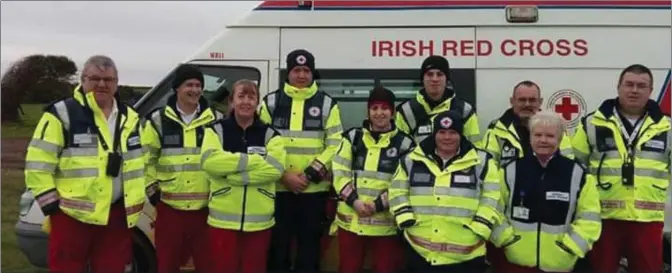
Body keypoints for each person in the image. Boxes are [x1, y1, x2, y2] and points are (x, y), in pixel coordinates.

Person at [24, 55, 146, 273]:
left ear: (116, 83)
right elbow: (38, 162)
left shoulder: (131, 117)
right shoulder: (62, 114)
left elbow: (140, 160)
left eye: (108, 80)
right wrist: (51, 205)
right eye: (95, 78)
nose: (102, 84)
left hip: (117, 215)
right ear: (83, 80)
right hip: (72, 216)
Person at [572, 64, 672, 273]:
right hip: (603, 218)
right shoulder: (591, 123)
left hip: (647, 220)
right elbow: (574, 169)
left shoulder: (667, 127)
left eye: (641, 86)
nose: (634, 90)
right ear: (618, 87)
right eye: (629, 84)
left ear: (650, 91)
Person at [259, 49, 344, 273]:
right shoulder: (271, 102)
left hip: (314, 192)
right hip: (278, 189)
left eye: (306, 70)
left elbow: (336, 144)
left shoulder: (327, 104)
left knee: (310, 251)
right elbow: (260, 144)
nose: (302, 75)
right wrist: (283, 175)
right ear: (288, 73)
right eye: (297, 70)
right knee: (278, 251)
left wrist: (310, 174)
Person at [488, 111, 602, 273]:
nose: (543, 140)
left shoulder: (578, 174)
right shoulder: (510, 171)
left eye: (550, 136)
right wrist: (507, 240)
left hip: (560, 263)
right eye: (538, 134)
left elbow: (589, 217)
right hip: (515, 262)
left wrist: (570, 248)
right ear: (530, 137)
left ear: (560, 139)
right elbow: (494, 210)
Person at [388, 110, 501, 273]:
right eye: (441, 132)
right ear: (434, 134)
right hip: (420, 251)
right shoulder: (412, 159)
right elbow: (397, 190)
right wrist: (405, 218)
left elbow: (492, 197)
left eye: (452, 132)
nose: (447, 137)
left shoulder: (482, 162)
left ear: (461, 135)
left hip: (466, 254)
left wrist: (480, 228)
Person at [142, 64, 225, 273]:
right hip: (170, 208)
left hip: (207, 210)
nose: (195, 90)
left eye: (198, 85)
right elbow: (145, 160)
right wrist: (153, 191)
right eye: (189, 84)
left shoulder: (217, 120)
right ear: (177, 88)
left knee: (209, 265)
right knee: (167, 265)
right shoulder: (157, 121)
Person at [203, 80, 287, 273]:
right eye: (241, 96)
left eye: (251, 97)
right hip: (222, 222)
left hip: (259, 224)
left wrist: (237, 177)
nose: (246, 102)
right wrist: (254, 160)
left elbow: (275, 169)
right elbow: (209, 162)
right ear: (232, 101)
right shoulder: (216, 130)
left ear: (257, 102)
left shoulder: (270, 135)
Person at [331, 86, 415, 273]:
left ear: (392, 112)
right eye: (374, 108)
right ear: (367, 111)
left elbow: (405, 183)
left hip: (385, 224)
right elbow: (339, 171)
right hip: (351, 221)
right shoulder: (352, 137)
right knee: (348, 268)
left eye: (385, 108)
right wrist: (354, 201)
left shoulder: (405, 144)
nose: (379, 113)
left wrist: (377, 205)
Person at [482, 80, 574, 167]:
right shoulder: (497, 130)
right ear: (512, 101)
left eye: (532, 100)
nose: (527, 104)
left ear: (540, 102)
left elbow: (568, 161)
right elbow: (488, 166)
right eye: (522, 100)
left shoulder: (555, 127)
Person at [395, 55, 481, 145]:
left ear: (447, 79)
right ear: (422, 79)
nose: (434, 79)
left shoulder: (465, 110)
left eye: (439, 74)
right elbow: (401, 148)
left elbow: (473, 148)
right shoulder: (406, 111)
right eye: (430, 74)